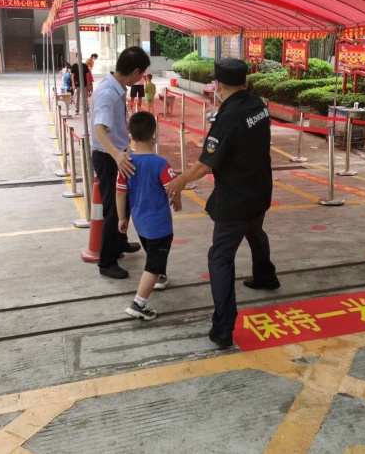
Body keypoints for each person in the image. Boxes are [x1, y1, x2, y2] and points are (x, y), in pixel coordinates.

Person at [166, 58, 279, 348]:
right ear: (245, 82)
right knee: (255, 230)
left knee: (220, 258)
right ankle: (265, 276)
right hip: (260, 189)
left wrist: (178, 182)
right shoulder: (257, 105)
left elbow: (205, 164)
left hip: (236, 199)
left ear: (217, 85)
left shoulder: (227, 119)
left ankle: (223, 327)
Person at [91, 46, 151, 279]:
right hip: (108, 157)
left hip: (118, 153)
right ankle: (107, 261)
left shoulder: (116, 88)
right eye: (142, 73)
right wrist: (117, 155)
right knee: (114, 209)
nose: (142, 77)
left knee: (124, 203)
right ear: (135, 72)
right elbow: (99, 130)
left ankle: (120, 241)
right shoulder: (107, 93)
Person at [116, 111, 182, 320]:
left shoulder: (126, 164)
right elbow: (172, 187)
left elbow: (120, 192)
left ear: (130, 135)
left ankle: (160, 277)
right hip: (159, 225)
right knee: (153, 263)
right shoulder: (160, 164)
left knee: (153, 253)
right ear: (154, 134)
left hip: (140, 223)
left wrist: (122, 217)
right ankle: (139, 303)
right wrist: (177, 199)